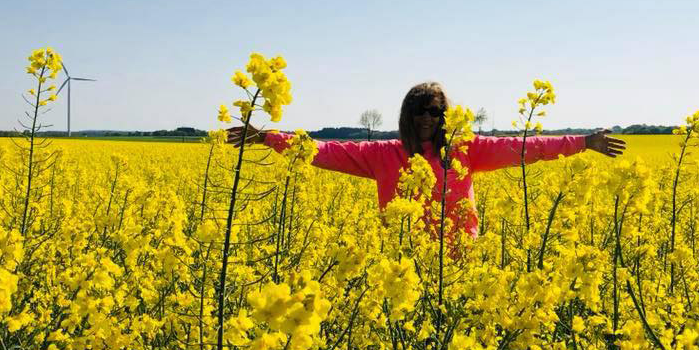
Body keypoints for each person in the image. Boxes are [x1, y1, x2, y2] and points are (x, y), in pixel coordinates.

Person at [227, 81, 626, 238]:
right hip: (403, 269)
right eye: (418, 110)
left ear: (445, 116)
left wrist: (584, 142)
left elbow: (525, 148)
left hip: (462, 265)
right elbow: (325, 151)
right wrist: (267, 136)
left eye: (434, 111)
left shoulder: (467, 151)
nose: (425, 118)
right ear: (406, 115)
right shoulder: (384, 155)